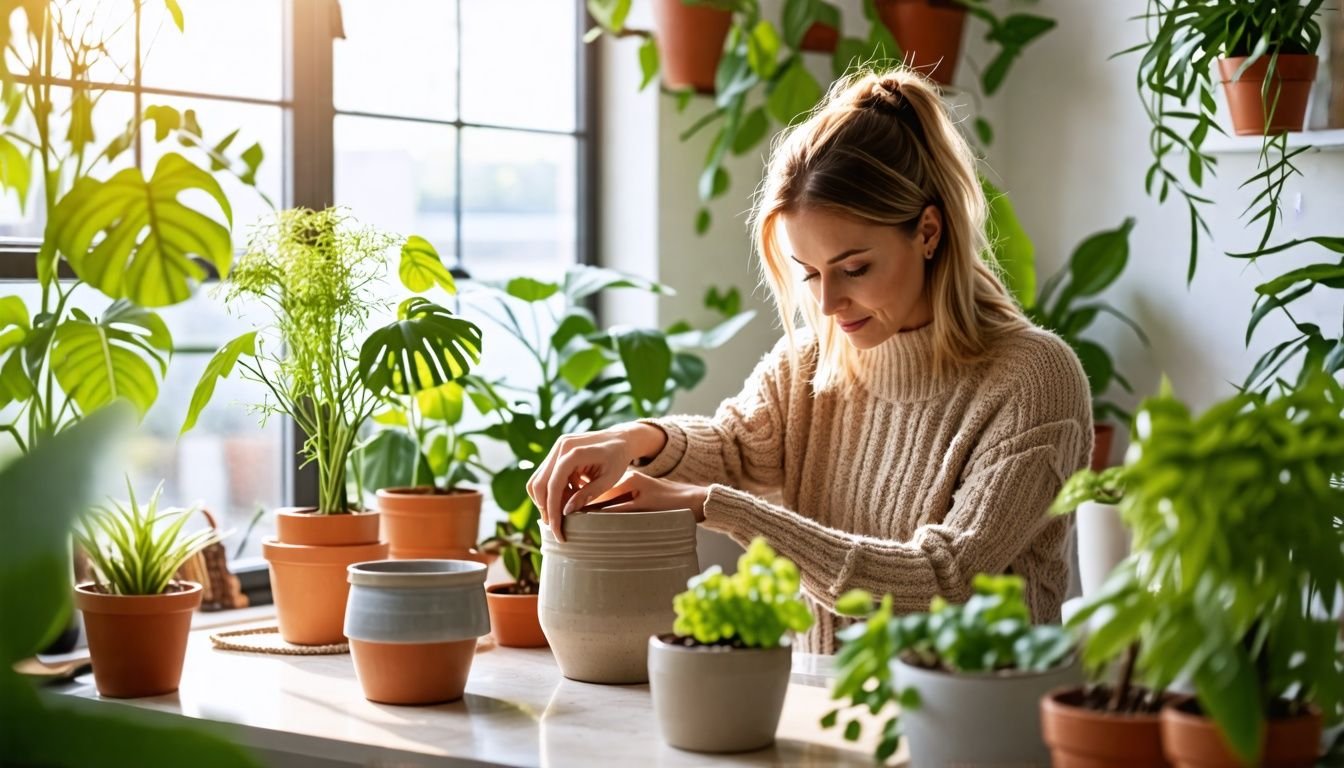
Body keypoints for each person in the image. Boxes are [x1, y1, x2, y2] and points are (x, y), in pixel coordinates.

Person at [527, 68, 1092, 654]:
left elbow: (940, 578)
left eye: (854, 269)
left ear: (928, 231)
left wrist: (713, 507)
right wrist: (634, 439)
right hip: (817, 710)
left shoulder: (1032, 379)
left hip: (976, 723)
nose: (827, 303)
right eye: (809, 274)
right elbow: (733, 447)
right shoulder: (810, 362)